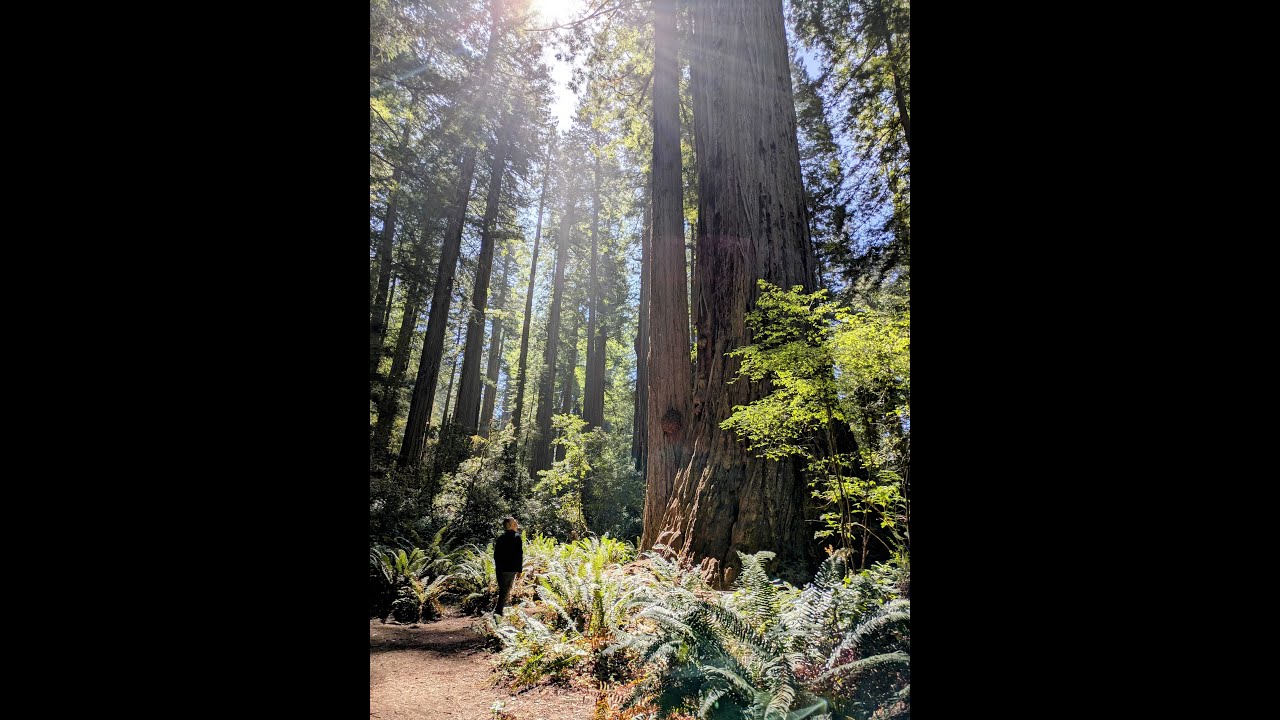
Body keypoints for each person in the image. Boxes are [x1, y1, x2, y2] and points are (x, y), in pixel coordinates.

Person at [492, 516, 523, 616]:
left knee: (503, 590)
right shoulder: (517, 538)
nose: (516, 523)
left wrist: (498, 567)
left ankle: (499, 612)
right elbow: (519, 555)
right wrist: (519, 570)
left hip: (500, 569)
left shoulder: (500, 538)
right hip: (510, 570)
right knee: (505, 592)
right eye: (514, 522)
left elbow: (496, 555)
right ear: (510, 525)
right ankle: (498, 613)